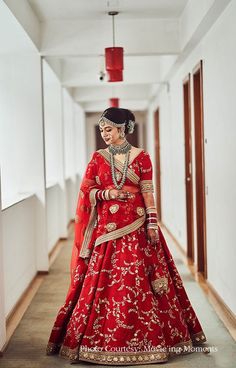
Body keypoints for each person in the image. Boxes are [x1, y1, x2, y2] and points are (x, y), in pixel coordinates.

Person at [46, 107, 206, 365]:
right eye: (101, 130)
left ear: (122, 129)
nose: (104, 135)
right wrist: (108, 194)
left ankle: (153, 340)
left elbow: (148, 193)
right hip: (108, 230)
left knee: (139, 280)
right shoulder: (98, 158)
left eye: (108, 129)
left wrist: (152, 224)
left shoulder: (142, 157)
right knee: (105, 282)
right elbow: (88, 192)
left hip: (138, 225)